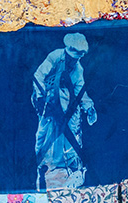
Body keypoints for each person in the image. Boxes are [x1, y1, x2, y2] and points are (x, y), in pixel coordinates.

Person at [32, 33, 97, 190]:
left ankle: (69, 171)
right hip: (47, 102)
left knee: (70, 134)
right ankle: (44, 167)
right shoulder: (55, 56)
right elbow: (38, 76)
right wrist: (41, 98)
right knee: (45, 134)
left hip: (67, 105)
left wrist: (89, 107)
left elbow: (80, 89)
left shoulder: (77, 67)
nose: (73, 61)